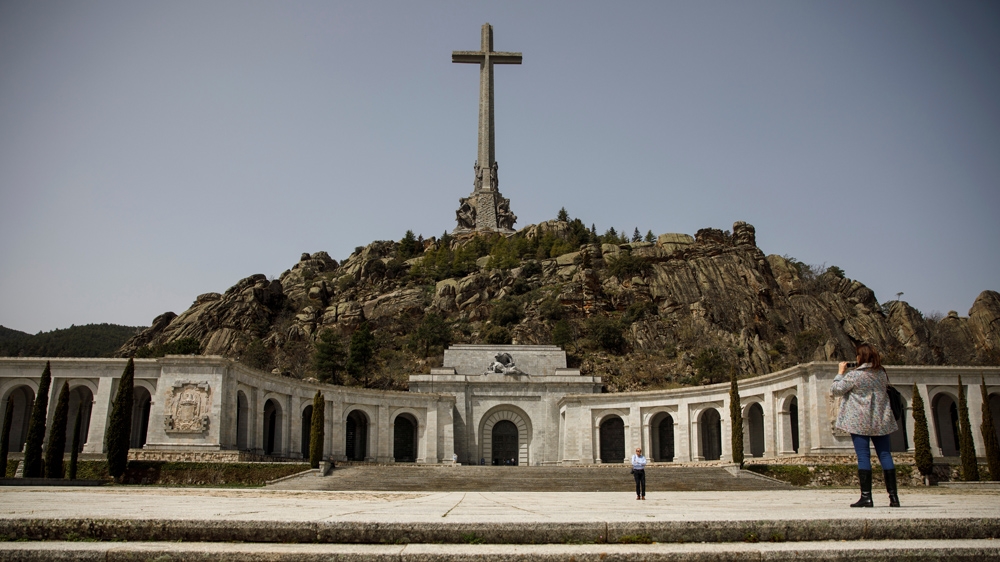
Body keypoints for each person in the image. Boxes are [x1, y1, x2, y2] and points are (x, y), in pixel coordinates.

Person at [831, 343, 900, 508]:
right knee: (885, 455)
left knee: (863, 456)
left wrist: (840, 373)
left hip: (859, 421)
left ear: (860, 358)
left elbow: (836, 390)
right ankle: (894, 498)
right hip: (881, 421)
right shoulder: (881, 374)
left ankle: (866, 497)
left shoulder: (854, 376)